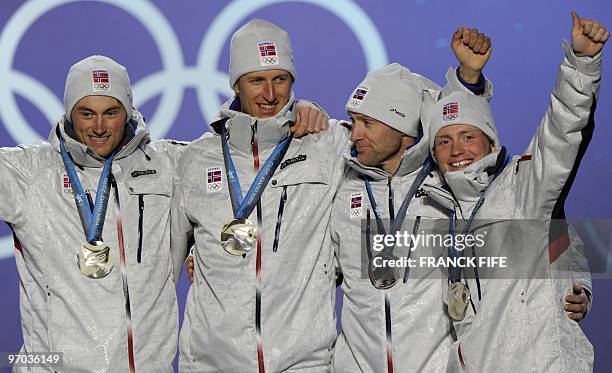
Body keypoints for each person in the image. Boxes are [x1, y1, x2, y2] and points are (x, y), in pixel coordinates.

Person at [426, 12, 607, 372]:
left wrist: (582, 64)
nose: (456, 150)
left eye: (468, 137)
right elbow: (563, 241)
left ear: (491, 142)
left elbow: (561, 130)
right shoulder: (441, 208)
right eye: (443, 141)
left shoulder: (523, 185)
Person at [170, 19, 351, 372]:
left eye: (280, 79)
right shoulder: (194, 159)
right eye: (257, 81)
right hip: (212, 363)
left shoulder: (327, 143)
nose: (270, 94)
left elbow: (403, 136)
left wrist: (471, 85)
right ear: (236, 84)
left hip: (304, 362)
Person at [0, 55, 183, 372]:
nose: (98, 127)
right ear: (70, 114)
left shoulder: (168, 165)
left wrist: (297, 120)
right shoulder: (29, 172)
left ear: (127, 113)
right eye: (87, 114)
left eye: (110, 113)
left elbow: (244, 158)